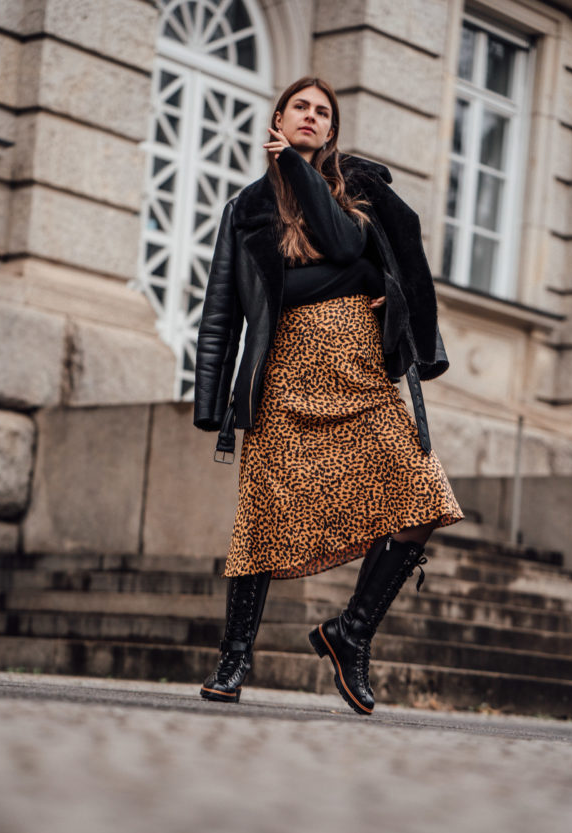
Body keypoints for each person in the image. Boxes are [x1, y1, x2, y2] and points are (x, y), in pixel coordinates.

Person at [193, 76, 463, 715]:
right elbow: (223, 309)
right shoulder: (247, 208)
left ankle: (351, 634)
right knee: (262, 522)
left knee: (422, 497)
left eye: (322, 112)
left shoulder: (359, 191)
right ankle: (233, 660)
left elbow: (375, 255)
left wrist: (381, 285)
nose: (311, 117)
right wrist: (212, 401)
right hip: (283, 382)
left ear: (331, 130)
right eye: (300, 109)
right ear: (277, 119)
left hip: (364, 382)